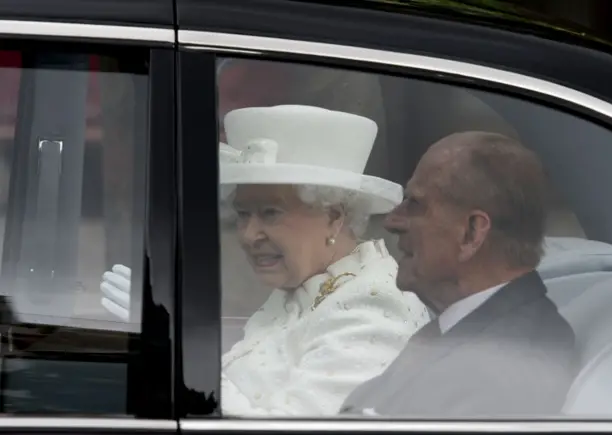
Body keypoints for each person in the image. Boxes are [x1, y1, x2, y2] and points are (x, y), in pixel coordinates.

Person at [100, 104, 430, 416]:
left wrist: (168, 343)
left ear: (333, 216)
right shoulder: (312, 286)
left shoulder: (374, 308)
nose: (247, 235)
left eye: (270, 213)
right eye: (243, 215)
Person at [340, 131, 576, 417]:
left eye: (414, 203)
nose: (392, 221)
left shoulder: (508, 359)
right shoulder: (473, 328)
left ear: (472, 233)